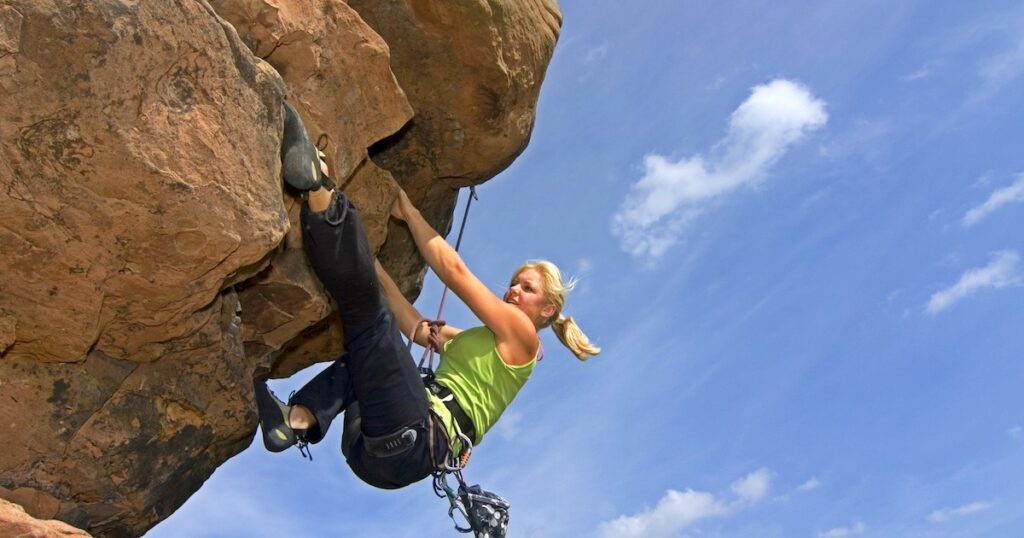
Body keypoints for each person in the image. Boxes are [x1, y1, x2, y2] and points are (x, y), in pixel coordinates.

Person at [255, 101, 600, 491]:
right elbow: (415, 327)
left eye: (527, 288)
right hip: (373, 450)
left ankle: (317, 188)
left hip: (417, 436)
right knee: (367, 352)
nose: (513, 290)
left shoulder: (523, 337)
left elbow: (454, 271)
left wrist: (408, 210)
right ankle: (297, 421)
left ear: (547, 309)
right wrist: (371, 264)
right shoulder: (475, 342)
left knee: (370, 325)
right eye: (514, 282)